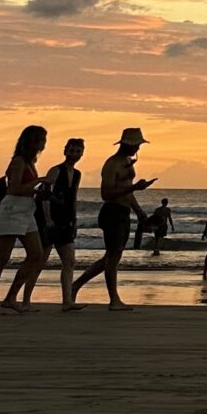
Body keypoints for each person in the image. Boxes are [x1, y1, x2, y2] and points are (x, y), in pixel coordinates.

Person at [70, 127, 156, 307]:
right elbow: (106, 193)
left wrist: (139, 211)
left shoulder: (127, 161)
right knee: (113, 257)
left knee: (111, 256)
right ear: (126, 144)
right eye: (135, 145)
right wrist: (134, 188)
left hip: (123, 212)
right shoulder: (112, 164)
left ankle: (76, 286)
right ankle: (113, 299)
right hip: (112, 212)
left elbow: (127, 190)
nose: (138, 149)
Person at [0, 125, 50, 312]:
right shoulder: (19, 161)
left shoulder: (30, 162)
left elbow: (25, 189)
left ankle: (11, 297)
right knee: (2, 257)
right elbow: (14, 188)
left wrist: (40, 191)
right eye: (40, 139)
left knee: (37, 254)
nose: (43, 143)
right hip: (12, 210)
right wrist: (38, 181)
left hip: (26, 211)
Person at [14, 136, 85, 309]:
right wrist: (47, 219)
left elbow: (73, 197)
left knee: (69, 261)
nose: (74, 154)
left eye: (78, 151)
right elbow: (45, 195)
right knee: (39, 261)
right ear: (65, 151)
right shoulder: (56, 170)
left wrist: (74, 219)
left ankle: (67, 301)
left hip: (66, 221)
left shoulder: (77, 174)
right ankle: (25, 301)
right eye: (71, 150)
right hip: (49, 220)